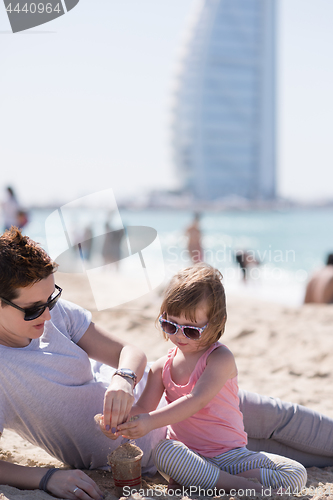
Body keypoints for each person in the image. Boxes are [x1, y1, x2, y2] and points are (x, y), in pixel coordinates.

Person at [1, 230, 333, 498]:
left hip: (209, 403)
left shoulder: (55, 314)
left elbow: (130, 351)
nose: (47, 314)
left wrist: (123, 379)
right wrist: (46, 479)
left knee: (304, 429)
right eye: (33, 309)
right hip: (173, 454)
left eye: (51, 299)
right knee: (293, 465)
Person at [116, 264, 307, 493]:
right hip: (188, 458)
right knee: (164, 451)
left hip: (231, 457)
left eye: (191, 330)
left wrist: (149, 422)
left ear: (215, 322)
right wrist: (120, 422)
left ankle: (221, 483)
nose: (178, 335)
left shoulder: (219, 358)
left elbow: (196, 400)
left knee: (296, 474)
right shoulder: (161, 367)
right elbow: (143, 407)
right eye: (170, 325)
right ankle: (240, 487)